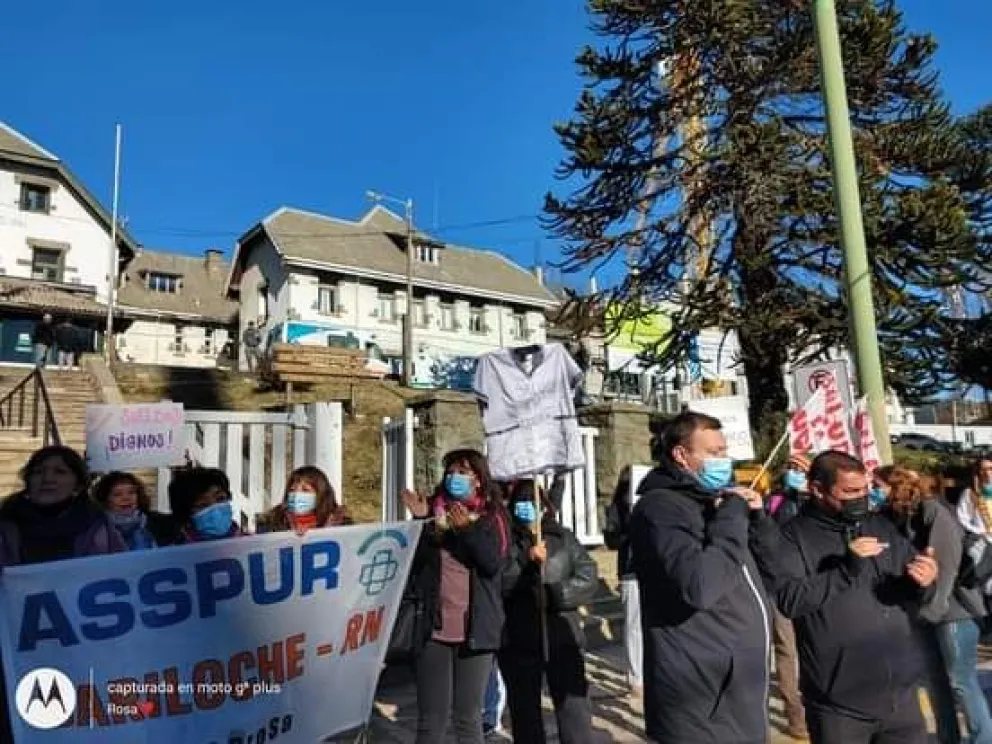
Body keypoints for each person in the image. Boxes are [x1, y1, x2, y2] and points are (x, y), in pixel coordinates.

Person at [762, 451, 938, 744]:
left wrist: (923, 580)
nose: (860, 498)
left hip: (900, 695)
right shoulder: (793, 536)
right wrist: (846, 569)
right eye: (849, 492)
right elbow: (790, 600)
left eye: (864, 490)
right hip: (839, 700)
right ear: (817, 489)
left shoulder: (880, 525)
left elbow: (906, 590)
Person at [628, 411, 770, 744]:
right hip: (702, 697)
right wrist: (732, 516)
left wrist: (758, 518)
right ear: (681, 455)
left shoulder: (711, 504)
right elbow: (701, 586)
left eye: (725, 451)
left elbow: (777, 572)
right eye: (714, 453)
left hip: (735, 690)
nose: (725, 461)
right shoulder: (662, 508)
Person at [0, 446, 127, 742]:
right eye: (38, 472)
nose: (47, 478)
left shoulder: (98, 528)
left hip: (79, 652)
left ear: (79, 483)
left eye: (59, 471)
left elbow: (121, 579)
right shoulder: (5, 526)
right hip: (13, 655)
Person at [401, 449, 509, 744]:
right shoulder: (433, 513)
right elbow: (414, 568)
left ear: (478, 479)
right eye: (450, 471)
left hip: (475, 632)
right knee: (431, 721)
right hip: (433, 630)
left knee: (468, 718)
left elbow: (492, 564)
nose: (454, 478)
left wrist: (468, 530)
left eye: (463, 472)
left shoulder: (493, 516)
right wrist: (419, 521)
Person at [883, 467, 992, 744]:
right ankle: (948, 738)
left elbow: (946, 567)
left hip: (953, 613)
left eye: (878, 486)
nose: (873, 494)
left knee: (961, 682)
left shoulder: (934, 512)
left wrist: (933, 608)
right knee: (934, 682)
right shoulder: (898, 518)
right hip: (923, 613)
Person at [499, 481, 598, 744]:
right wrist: (526, 564)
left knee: (574, 710)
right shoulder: (505, 540)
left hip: (562, 634)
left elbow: (587, 576)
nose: (527, 507)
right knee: (525, 712)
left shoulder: (562, 537)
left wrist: (556, 593)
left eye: (533, 501)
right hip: (519, 636)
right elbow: (500, 581)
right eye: (521, 501)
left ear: (545, 506)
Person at [766, 454, 811, 740]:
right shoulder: (775, 501)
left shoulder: (816, 502)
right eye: (791, 468)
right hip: (780, 586)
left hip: (811, 586)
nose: (795, 473)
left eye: (801, 469)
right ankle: (795, 715)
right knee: (786, 651)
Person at [603, 466, 642, 696]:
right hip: (631, 571)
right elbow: (612, 539)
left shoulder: (654, 503)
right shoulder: (618, 508)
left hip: (653, 570)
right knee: (634, 625)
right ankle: (636, 676)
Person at [92, 471, 180, 549]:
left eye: (131, 492)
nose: (126, 498)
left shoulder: (163, 523)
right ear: (105, 500)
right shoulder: (95, 530)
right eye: (117, 494)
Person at [257, 466, 351, 535]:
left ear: (321, 494)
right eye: (292, 490)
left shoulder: (341, 524)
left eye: (305, 490)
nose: (297, 495)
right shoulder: (273, 522)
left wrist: (328, 532)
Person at [168, 467, 244, 542]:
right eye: (202, 505)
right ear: (186, 515)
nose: (215, 511)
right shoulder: (174, 552)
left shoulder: (252, 547)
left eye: (220, 498)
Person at [956, 455, 992, 538]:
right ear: (978, 472)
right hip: (984, 538)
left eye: (990, 468)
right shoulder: (970, 493)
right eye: (983, 469)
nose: (987, 473)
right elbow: (962, 517)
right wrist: (978, 531)